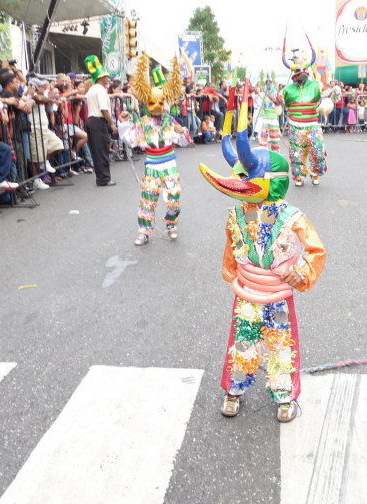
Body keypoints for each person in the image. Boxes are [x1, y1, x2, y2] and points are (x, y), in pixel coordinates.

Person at [198, 85, 326, 422]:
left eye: (251, 176)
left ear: (274, 181)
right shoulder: (237, 214)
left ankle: (284, 396)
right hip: (247, 294)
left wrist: (301, 272)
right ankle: (234, 390)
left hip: (278, 295)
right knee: (244, 341)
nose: (241, 185)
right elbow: (231, 246)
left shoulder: (291, 216)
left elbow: (315, 249)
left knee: (281, 345)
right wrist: (234, 273)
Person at [130, 53, 185, 246]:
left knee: (174, 195)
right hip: (152, 164)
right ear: (146, 103)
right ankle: (144, 231)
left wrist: (182, 131)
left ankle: (171, 224)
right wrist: (124, 124)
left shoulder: (170, 120)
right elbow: (131, 140)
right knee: (148, 198)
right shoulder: (142, 122)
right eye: (152, 103)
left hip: (169, 162)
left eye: (160, 103)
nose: (156, 106)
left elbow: (184, 140)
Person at [279, 32, 328, 186]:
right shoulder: (287, 89)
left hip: (313, 123)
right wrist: (276, 100)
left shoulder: (315, 85)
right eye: (297, 71)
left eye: (302, 71)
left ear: (307, 71)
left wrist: (331, 95)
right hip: (295, 124)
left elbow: (328, 94)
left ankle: (315, 174)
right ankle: (299, 177)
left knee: (318, 149)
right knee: (297, 152)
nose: (300, 74)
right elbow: (279, 101)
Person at [83, 56, 117, 187]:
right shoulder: (101, 90)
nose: (107, 79)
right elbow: (104, 110)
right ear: (101, 78)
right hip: (98, 121)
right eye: (105, 76)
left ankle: (100, 178)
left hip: (91, 121)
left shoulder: (91, 89)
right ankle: (105, 178)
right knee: (102, 151)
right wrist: (111, 124)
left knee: (96, 151)